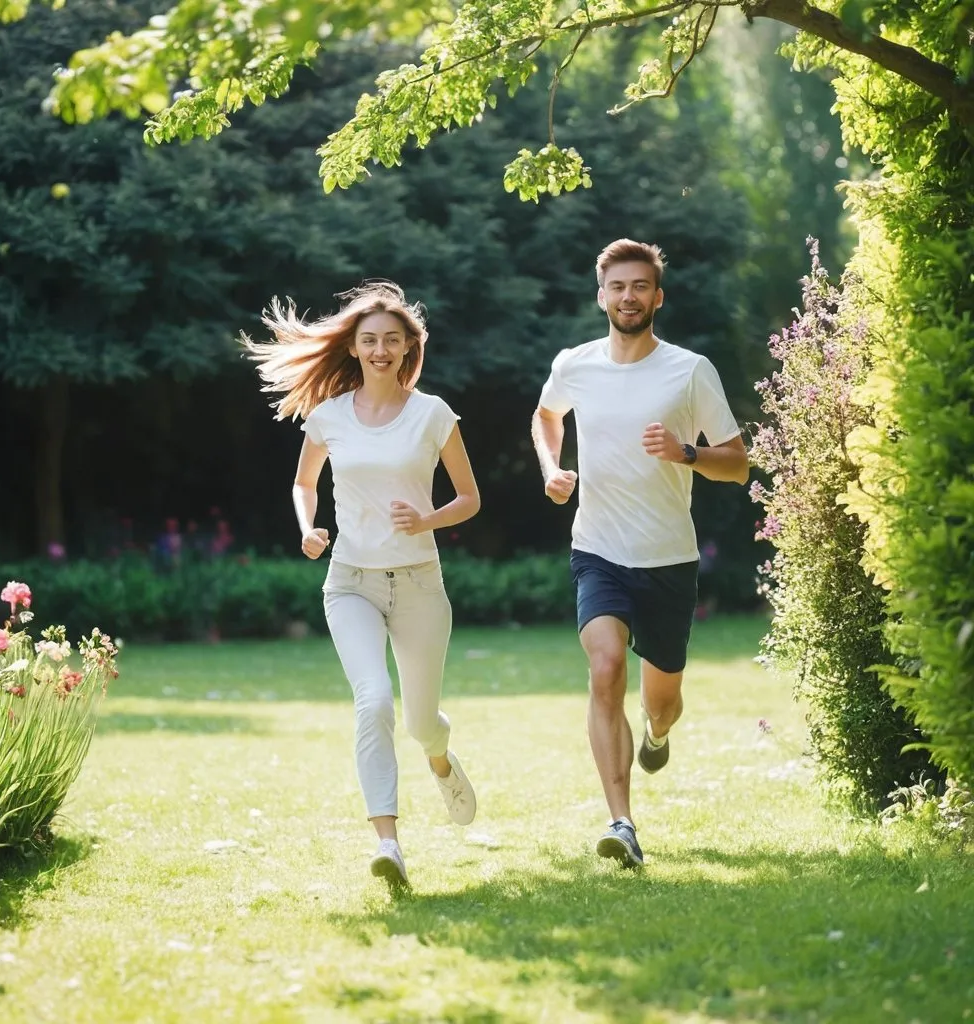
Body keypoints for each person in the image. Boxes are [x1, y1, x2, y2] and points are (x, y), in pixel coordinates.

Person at [243, 282, 481, 890]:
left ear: (408, 349)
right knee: (373, 701)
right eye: (369, 340)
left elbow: (470, 498)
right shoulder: (328, 417)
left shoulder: (433, 414)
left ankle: (437, 755)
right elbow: (303, 483)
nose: (379, 350)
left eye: (391, 341)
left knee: (421, 720)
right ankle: (389, 844)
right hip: (349, 582)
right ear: (353, 346)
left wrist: (428, 519)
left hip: (420, 585)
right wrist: (308, 527)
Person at [531, 239, 749, 868]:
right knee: (604, 670)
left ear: (658, 296)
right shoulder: (575, 363)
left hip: (668, 560)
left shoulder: (688, 370)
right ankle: (621, 822)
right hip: (597, 549)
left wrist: (686, 453)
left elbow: (736, 464)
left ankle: (656, 733)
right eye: (618, 287)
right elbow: (546, 416)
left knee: (662, 700)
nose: (629, 297)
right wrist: (552, 465)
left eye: (640, 287)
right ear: (602, 295)